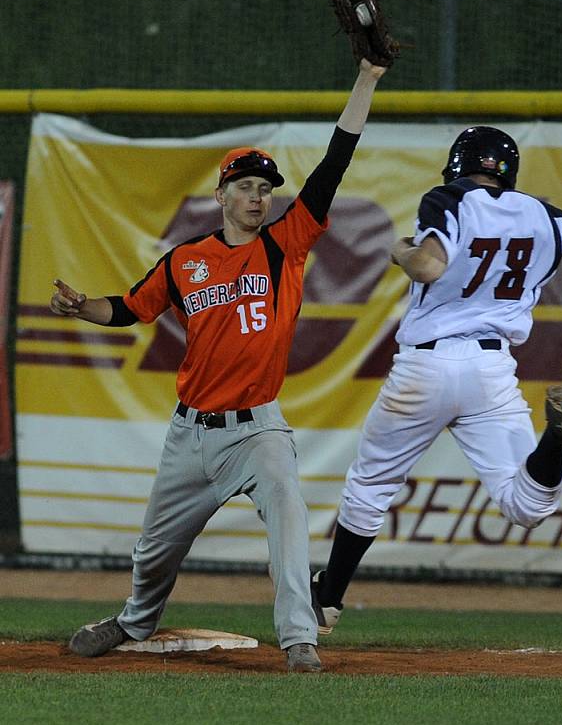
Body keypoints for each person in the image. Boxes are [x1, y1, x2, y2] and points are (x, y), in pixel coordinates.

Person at [50, 58, 387, 672]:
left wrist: (365, 79)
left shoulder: (284, 245)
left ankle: (299, 639)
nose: (258, 197)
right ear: (221, 195)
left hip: (257, 430)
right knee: (154, 554)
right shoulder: (186, 261)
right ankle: (132, 623)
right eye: (247, 187)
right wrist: (81, 308)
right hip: (190, 434)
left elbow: (334, 165)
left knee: (287, 507)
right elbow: (128, 309)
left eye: (266, 188)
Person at [310, 125, 562, 634]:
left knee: (370, 487)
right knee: (525, 506)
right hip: (491, 370)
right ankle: (558, 434)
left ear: (459, 165)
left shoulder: (450, 197)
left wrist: (400, 250)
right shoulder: (540, 212)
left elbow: (429, 267)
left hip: (427, 366)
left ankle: (328, 600)